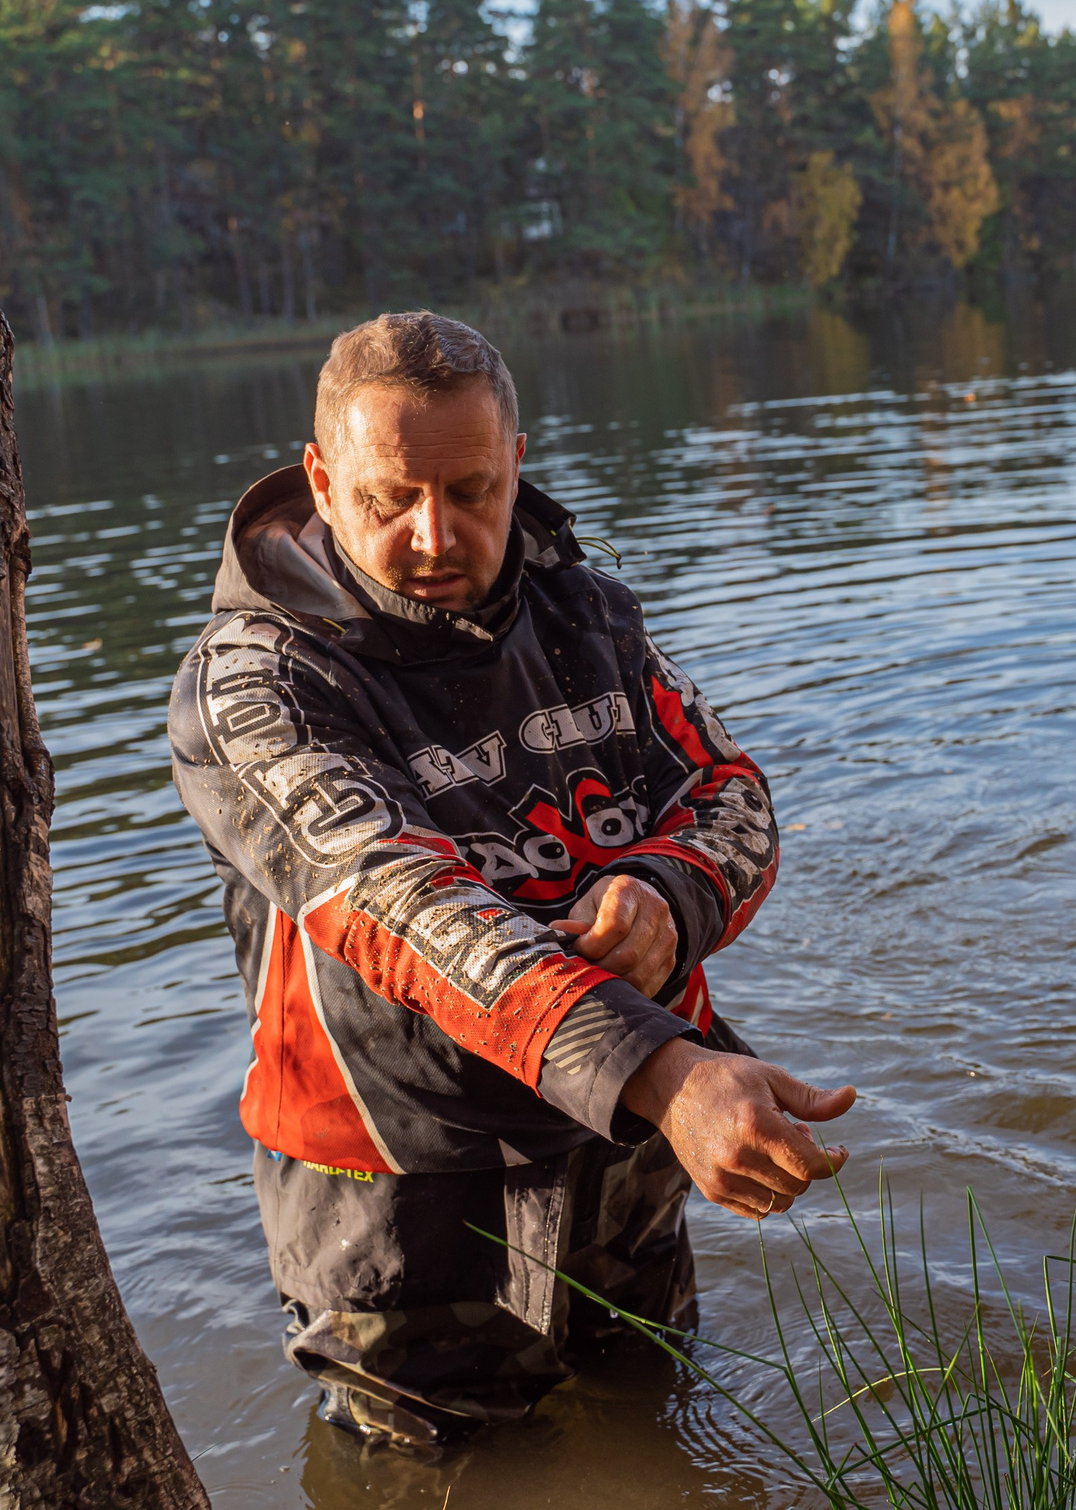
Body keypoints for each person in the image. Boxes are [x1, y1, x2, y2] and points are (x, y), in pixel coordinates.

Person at [170, 312, 856, 1449]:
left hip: (618, 1161)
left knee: (652, 1437)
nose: (435, 534)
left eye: (473, 491)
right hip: (404, 1190)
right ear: (322, 480)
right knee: (431, 1474)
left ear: (518, 465)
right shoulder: (254, 685)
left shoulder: (588, 611)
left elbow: (733, 795)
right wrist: (668, 1075)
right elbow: (399, 905)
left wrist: (666, 890)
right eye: (391, 500)